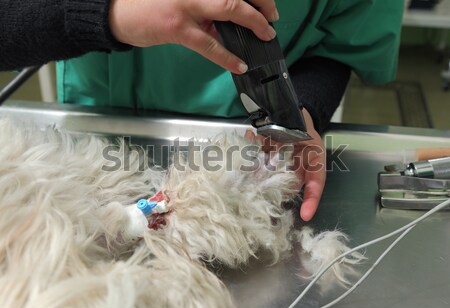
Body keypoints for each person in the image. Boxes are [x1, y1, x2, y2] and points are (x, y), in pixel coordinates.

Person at [0, 0, 404, 221]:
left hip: (250, 161)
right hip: (90, 150)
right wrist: (109, 15)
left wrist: (298, 113)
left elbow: (341, 41)